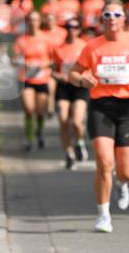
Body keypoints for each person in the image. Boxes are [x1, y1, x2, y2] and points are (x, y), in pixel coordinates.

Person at [69, 0, 129, 233]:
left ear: (124, 18)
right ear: (101, 19)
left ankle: (122, 183)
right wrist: (82, 80)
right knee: (104, 162)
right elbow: (73, 74)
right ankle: (103, 215)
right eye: (107, 15)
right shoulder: (92, 46)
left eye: (117, 14)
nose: (112, 19)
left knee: (127, 171)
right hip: (101, 106)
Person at [13, 11, 53, 151]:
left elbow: (53, 59)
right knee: (29, 109)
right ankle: (29, 138)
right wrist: (23, 63)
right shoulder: (21, 39)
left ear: (40, 22)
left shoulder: (46, 38)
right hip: (26, 78)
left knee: (40, 111)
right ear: (27, 21)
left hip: (42, 78)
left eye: (35, 20)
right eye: (30, 19)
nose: (33, 22)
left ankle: (40, 132)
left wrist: (42, 64)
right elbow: (14, 59)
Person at [52, 19, 88, 169]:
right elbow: (53, 70)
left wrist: (82, 77)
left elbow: (91, 67)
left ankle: (79, 142)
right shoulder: (59, 48)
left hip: (79, 86)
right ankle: (69, 153)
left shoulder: (85, 46)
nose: (72, 30)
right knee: (63, 119)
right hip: (64, 86)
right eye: (69, 27)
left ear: (79, 29)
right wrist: (59, 76)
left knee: (77, 122)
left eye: (75, 27)